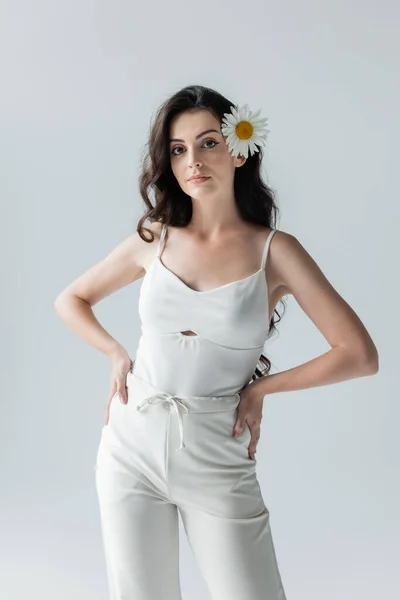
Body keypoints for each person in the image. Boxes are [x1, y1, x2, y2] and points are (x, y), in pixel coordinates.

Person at [54, 85, 379, 600]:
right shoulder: (155, 236)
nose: (193, 161)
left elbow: (359, 354)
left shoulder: (275, 251)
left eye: (208, 143)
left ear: (239, 148)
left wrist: (260, 390)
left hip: (215, 447)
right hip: (129, 442)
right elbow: (71, 299)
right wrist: (115, 352)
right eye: (178, 149)